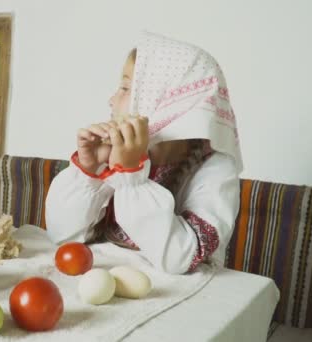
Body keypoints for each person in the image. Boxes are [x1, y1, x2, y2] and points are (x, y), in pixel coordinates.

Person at [45, 32, 243, 274]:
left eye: (126, 88)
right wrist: (88, 170)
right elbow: (62, 236)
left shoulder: (216, 169)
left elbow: (180, 259)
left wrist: (130, 178)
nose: (111, 100)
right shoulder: (114, 150)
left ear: (166, 99)